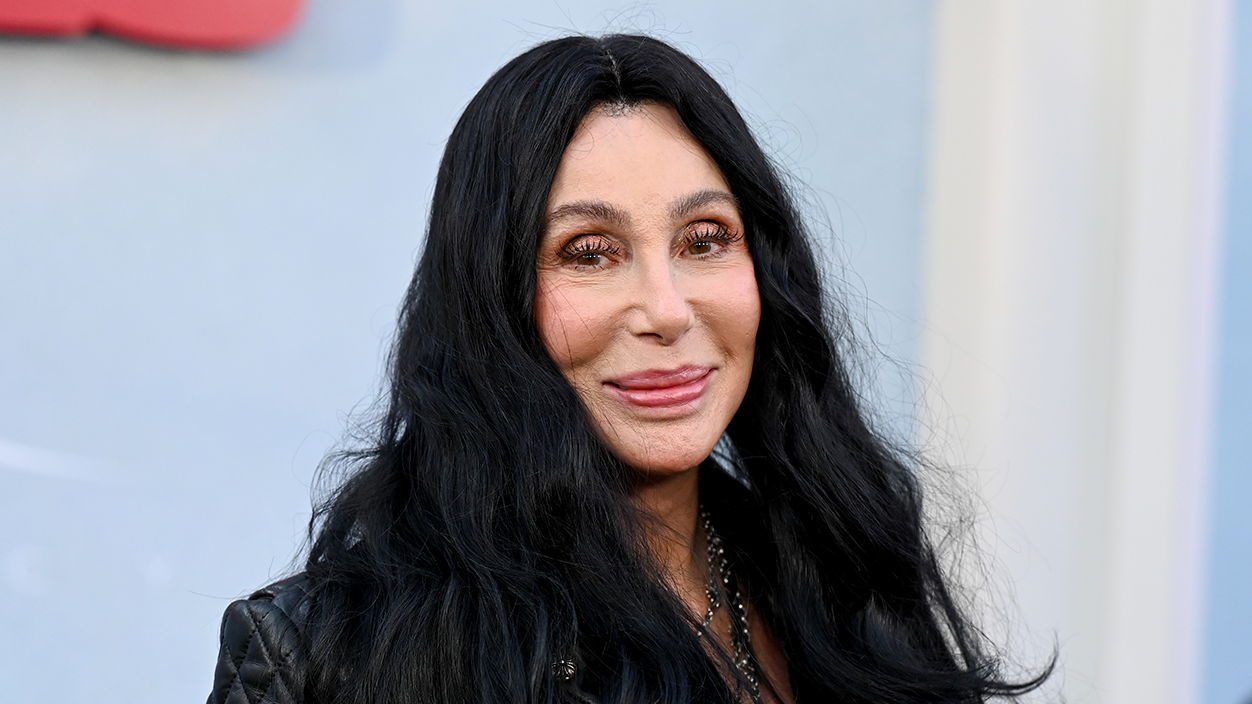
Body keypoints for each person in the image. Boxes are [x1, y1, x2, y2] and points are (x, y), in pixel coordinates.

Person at [207, 34, 1049, 704]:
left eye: (705, 240)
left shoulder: (845, 583)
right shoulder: (328, 656)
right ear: (492, 300)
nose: (667, 310)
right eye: (590, 252)